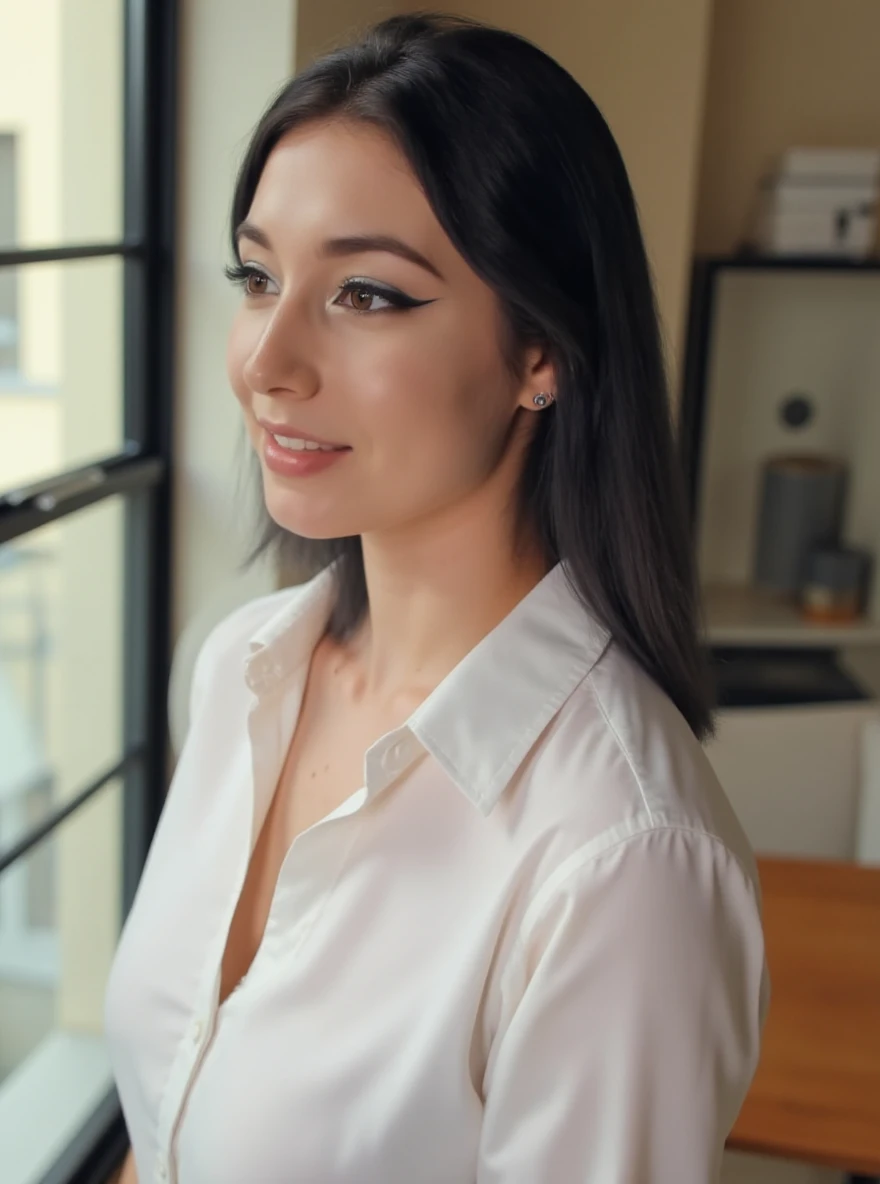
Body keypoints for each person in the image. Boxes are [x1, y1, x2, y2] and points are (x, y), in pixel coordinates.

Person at [104, 12, 769, 1183]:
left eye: (366, 293)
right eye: (259, 275)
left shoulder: (620, 858)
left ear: (541, 353)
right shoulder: (240, 664)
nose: (267, 360)